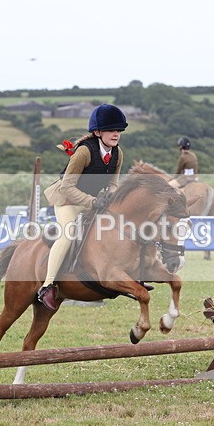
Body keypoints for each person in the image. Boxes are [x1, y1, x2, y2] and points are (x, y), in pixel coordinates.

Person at [37, 104, 127, 310]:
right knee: (68, 233)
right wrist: (93, 202)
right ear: (97, 132)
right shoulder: (84, 152)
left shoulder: (117, 153)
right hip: (67, 201)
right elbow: (68, 187)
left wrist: (110, 197)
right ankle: (48, 285)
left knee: (114, 229)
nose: (116, 134)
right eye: (111, 130)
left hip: (91, 202)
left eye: (119, 130)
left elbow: (113, 182)